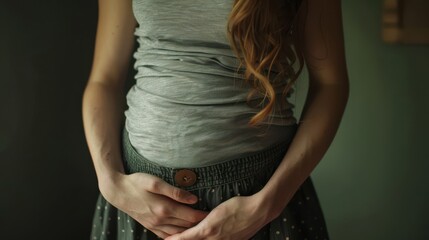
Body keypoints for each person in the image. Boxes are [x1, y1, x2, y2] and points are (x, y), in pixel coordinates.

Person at [82, 0, 349, 239]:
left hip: (257, 202)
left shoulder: (263, 206)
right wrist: (111, 183)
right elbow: (103, 80)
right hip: (139, 202)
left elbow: (331, 84)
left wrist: (268, 205)